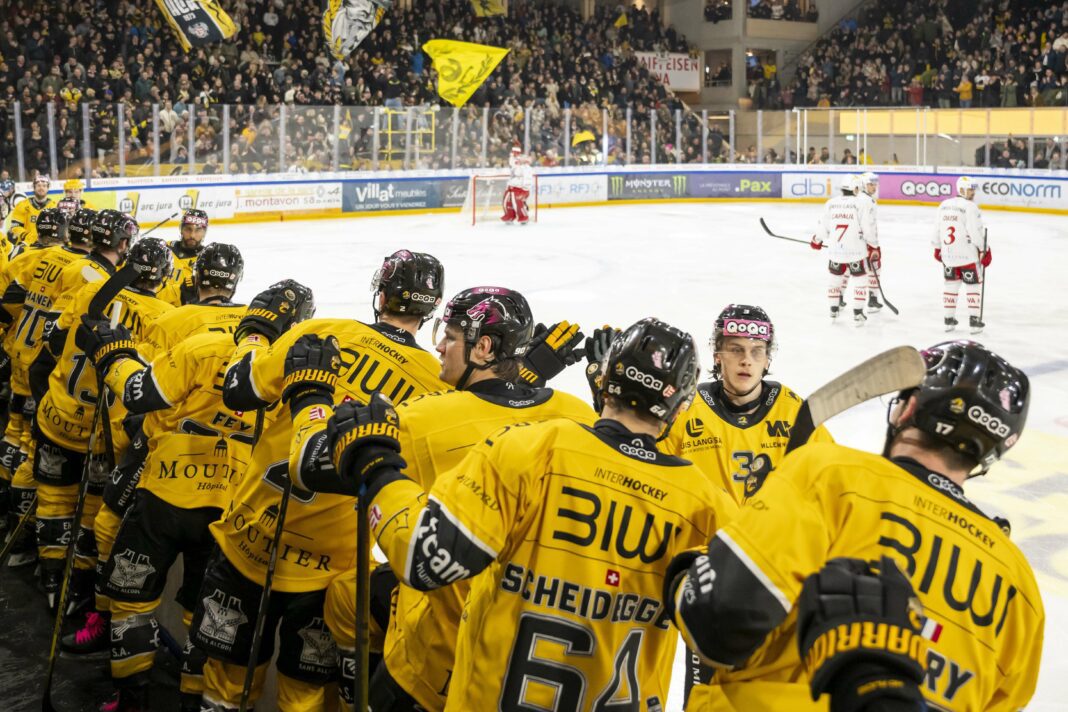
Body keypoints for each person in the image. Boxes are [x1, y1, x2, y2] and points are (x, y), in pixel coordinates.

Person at [320, 317, 737, 711]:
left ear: (606, 381)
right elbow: (732, 645)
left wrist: (376, 466)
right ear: (681, 410)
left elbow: (426, 560)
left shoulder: (528, 448)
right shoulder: (707, 505)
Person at [667, 340, 1043, 711]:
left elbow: (718, 626)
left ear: (907, 408)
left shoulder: (830, 475)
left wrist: (692, 571)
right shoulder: (1019, 586)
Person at [188, 250, 446, 711]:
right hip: (335, 569)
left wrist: (255, 333)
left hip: (250, 541)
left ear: (380, 295)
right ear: (429, 311)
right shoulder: (438, 388)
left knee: (226, 683)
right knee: (304, 695)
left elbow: (237, 391)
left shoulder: (320, 333)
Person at [317, 287, 592, 711]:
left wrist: (311, 401)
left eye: (450, 336)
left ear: (483, 347)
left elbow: (308, 464)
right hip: (533, 658)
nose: (440, 346)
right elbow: (506, 416)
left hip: (437, 658)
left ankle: (358, 691)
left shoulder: (423, 418)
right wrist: (524, 376)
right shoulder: (578, 415)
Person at [71, 244, 253, 711]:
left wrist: (110, 355)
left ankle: (129, 698)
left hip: (167, 481)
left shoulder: (173, 321)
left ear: (195, 279)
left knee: (129, 592)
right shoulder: (264, 339)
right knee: (205, 610)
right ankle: (192, 700)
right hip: (233, 493)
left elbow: (139, 394)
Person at [660, 304, 832, 701]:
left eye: (756, 351)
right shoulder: (687, 409)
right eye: (735, 349)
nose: (746, 360)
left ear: (768, 357)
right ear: (716, 354)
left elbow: (827, 484)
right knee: (705, 690)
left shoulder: (794, 410)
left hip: (774, 573)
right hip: (705, 575)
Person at [30, 230, 173, 613]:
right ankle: (78, 591)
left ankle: (49, 576)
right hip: (107, 436)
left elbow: (54, 346)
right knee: (94, 513)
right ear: (161, 276)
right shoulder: (165, 319)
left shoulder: (88, 294)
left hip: (58, 417)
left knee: (54, 499)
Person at [0, 207, 90, 568]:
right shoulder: (80, 273)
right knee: (32, 446)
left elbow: (7, 304)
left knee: (13, 435)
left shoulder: (33, 258)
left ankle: (8, 513)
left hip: (20, 359)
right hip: (45, 370)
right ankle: (26, 538)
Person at [810, 175, 879, 325]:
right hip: (856, 252)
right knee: (860, 281)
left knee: (834, 281)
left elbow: (823, 227)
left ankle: (833, 309)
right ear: (855, 188)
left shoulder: (831, 203)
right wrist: (874, 245)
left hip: (836, 253)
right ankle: (858, 313)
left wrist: (816, 240)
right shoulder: (860, 203)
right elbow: (868, 228)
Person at [934, 176, 989, 334]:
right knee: (973, 285)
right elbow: (975, 233)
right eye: (970, 189)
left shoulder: (943, 205)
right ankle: (973, 322)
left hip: (949, 256)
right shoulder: (970, 207)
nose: (973, 192)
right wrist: (984, 249)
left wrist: (937, 247)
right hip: (967, 256)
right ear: (962, 189)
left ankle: (948, 320)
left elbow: (937, 229)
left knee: (951, 285)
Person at [158, 208, 209, 306]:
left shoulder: (207, 259)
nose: (192, 235)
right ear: (181, 229)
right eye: (188, 229)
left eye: (198, 230)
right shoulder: (164, 249)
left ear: (204, 233)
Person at [858, 171, 884, 312]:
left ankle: (838, 301)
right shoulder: (867, 201)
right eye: (871, 184)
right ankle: (872, 300)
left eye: (875, 184)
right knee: (874, 269)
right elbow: (868, 226)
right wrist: (874, 246)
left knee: (852, 272)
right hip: (867, 243)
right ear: (863, 184)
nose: (874, 187)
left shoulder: (861, 199)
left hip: (859, 242)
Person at [8, 174, 54, 249]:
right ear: (34, 187)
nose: (41, 188)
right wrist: (27, 236)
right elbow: (15, 227)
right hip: (26, 245)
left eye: (44, 185)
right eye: (38, 185)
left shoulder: (54, 206)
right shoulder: (22, 205)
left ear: (48, 188)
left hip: (48, 246)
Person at [501, 145, 533, 225]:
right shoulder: (513, 161)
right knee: (506, 202)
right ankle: (509, 215)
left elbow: (520, 175)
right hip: (511, 187)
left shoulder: (527, 168)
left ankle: (523, 217)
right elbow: (512, 162)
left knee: (517, 202)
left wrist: (525, 189)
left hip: (520, 189)